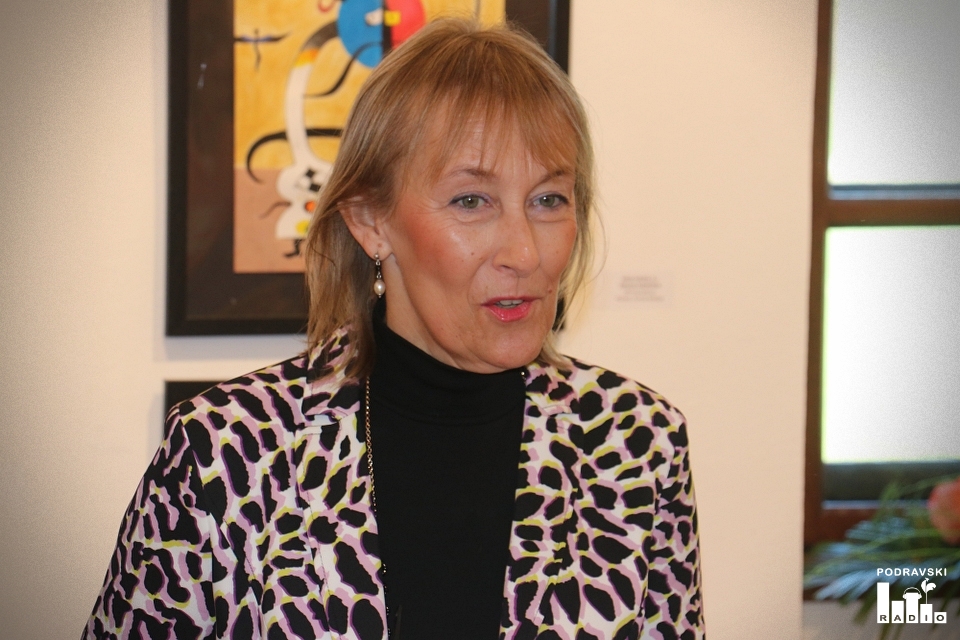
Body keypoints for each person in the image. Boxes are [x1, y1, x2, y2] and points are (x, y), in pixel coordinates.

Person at [84, 19, 704, 640]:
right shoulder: (226, 452)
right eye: (471, 201)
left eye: (548, 200)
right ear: (369, 221)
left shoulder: (637, 444)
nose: (525, 252)